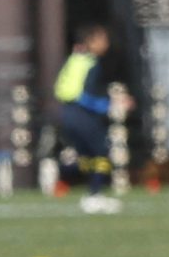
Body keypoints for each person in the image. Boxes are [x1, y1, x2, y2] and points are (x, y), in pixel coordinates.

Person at [53, 24, 128, 214]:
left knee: (86, 155)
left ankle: (70, 180)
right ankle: (93, 195)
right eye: (102, 39)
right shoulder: (90, 63)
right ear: (91, 41)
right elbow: (85, 95)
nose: (106, 44)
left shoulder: (74, 59)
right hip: (80, 113)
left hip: (66, 112)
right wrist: (109, 105)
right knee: (101, 152)